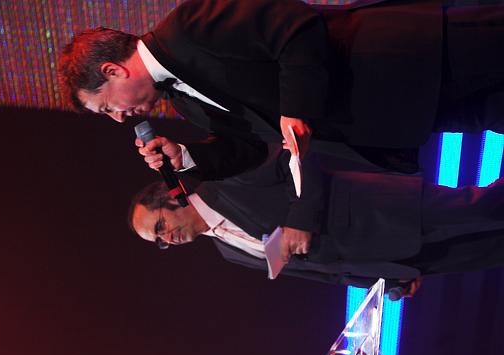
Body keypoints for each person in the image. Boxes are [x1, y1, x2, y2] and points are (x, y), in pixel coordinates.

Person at [59, 0, 504, 258]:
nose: (118, 117)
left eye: (106, 107)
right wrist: (188, 156)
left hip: (413, 57)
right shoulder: (181, 100)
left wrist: (296, 108)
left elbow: (296, 27)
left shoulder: (189, 26)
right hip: (403, 111)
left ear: (113, 70)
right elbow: (252, 145)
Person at [128, 145, 504, 298]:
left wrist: (300, 220)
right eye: (159, 241)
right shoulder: (229, 253)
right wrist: (382, 281)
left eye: (159, 227)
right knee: (488, 251)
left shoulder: (225, 180)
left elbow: (299, 155)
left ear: (171, 197)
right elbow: (323, 272)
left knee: (488, 207)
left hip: (383, 212)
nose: (167, 239)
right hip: (392, 260)